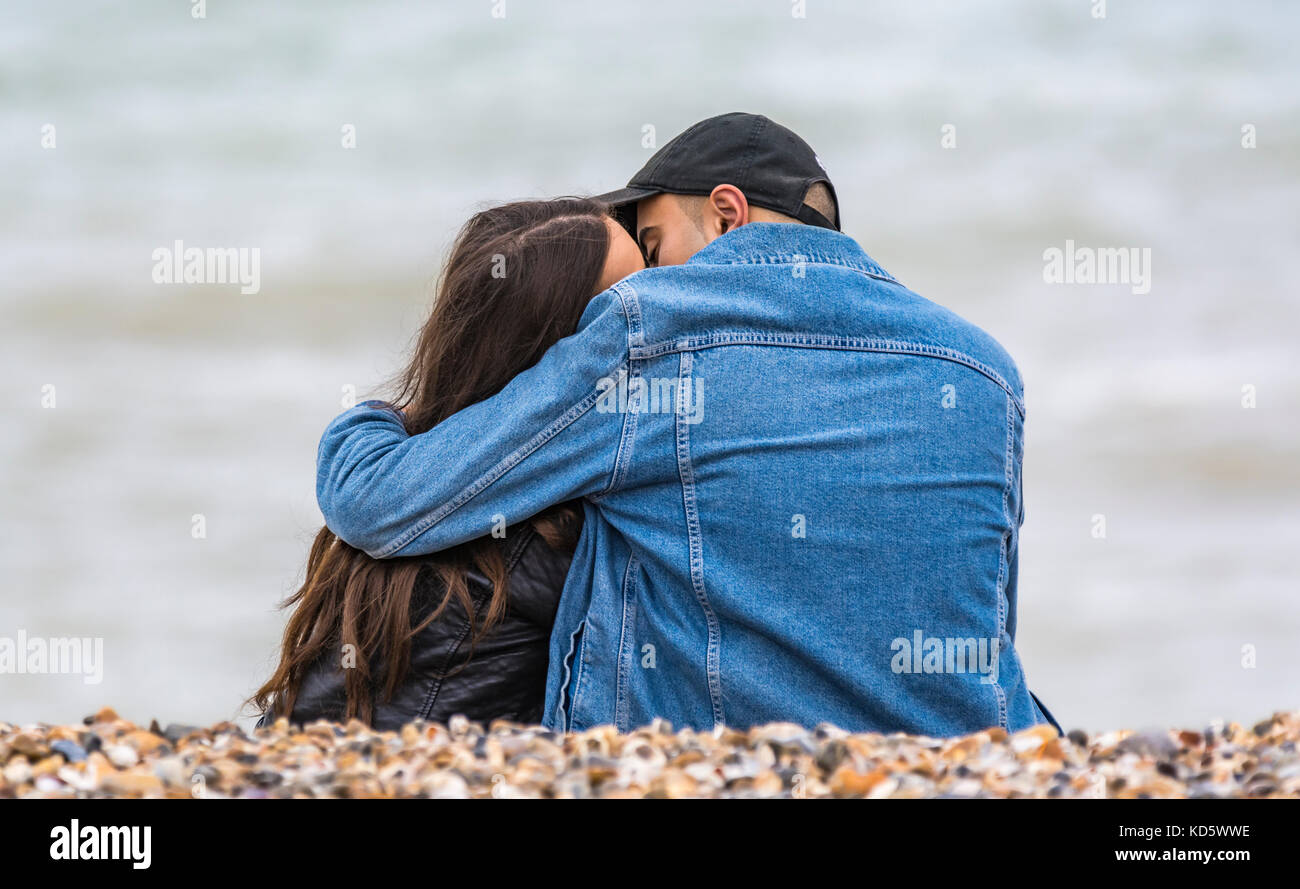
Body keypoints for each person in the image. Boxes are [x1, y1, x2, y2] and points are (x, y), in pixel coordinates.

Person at [314, 112, 1060, 737]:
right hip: (980, 762)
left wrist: (389, 415)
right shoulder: (986, 371)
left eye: (651, 243)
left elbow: (381, 502)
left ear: (727, 213)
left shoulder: (654, 328)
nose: (648, 272)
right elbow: (989, 620)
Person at [251, 198, 645, 730]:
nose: (656, 307)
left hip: (294, 763)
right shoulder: (562, 528)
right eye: (627, 301)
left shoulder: (406, 464)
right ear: (564, 354)